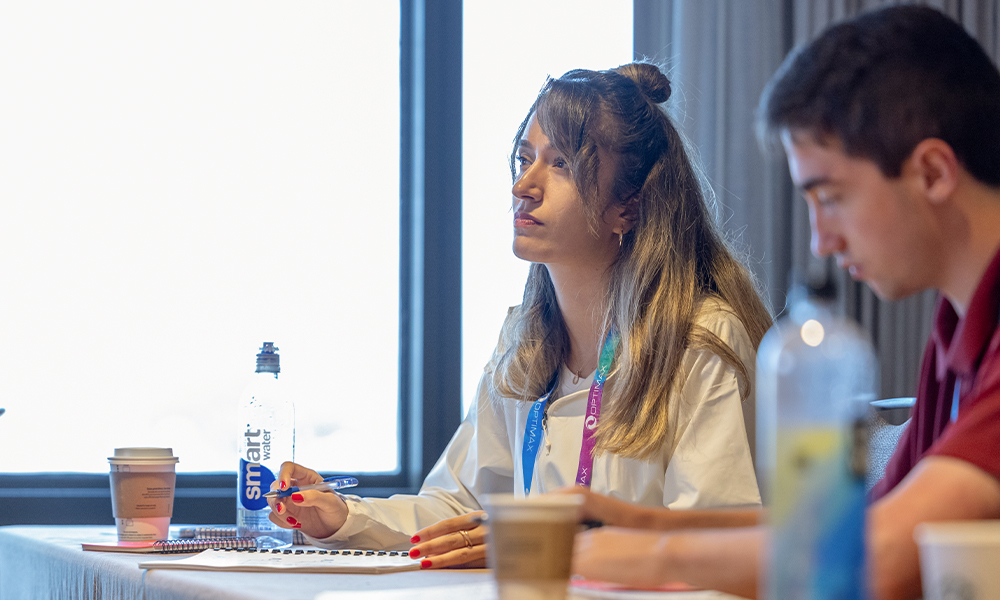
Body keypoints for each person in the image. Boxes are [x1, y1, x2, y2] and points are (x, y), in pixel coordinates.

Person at [265, 62, 773, 570]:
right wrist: (341, 517)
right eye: (525, 159)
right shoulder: (524, 342)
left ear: (629, 207)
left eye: (562, 165)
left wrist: (535, 547)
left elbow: (717, 549)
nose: (523, 187)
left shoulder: (699, 339)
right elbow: (459, 508)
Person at [570, 6, 1000, 600]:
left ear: (931, 172)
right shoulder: (957, 331)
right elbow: (845, 529)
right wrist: (640, 521)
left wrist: (653, 555)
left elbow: (881, 555)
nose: (821, 240)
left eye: (831, 198)